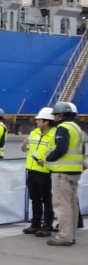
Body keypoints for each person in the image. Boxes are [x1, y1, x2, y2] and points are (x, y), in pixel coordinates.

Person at [39, 101, 85, 246]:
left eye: (55, 115)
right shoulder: (77, 128)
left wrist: (47, 159)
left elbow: (61, 149)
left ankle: (64, 236)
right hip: (75, 170)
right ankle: (71, 235)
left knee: (62, 205)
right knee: (72, 204)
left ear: (60, 115)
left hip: (62, 172)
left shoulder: (63, 128)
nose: (54, 118)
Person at [22, 107, 56, 237]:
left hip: (45, 171)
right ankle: (35, 224)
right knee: (34, 198)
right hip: (32, 170)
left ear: (46, 121)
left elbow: (55, 154)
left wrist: (45, 162)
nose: (36, 121)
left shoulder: (54, 134)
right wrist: (24, 145)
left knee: (47, 199)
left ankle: (47, 225)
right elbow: (26, 150)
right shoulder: (34, 133)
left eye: (39, 120)